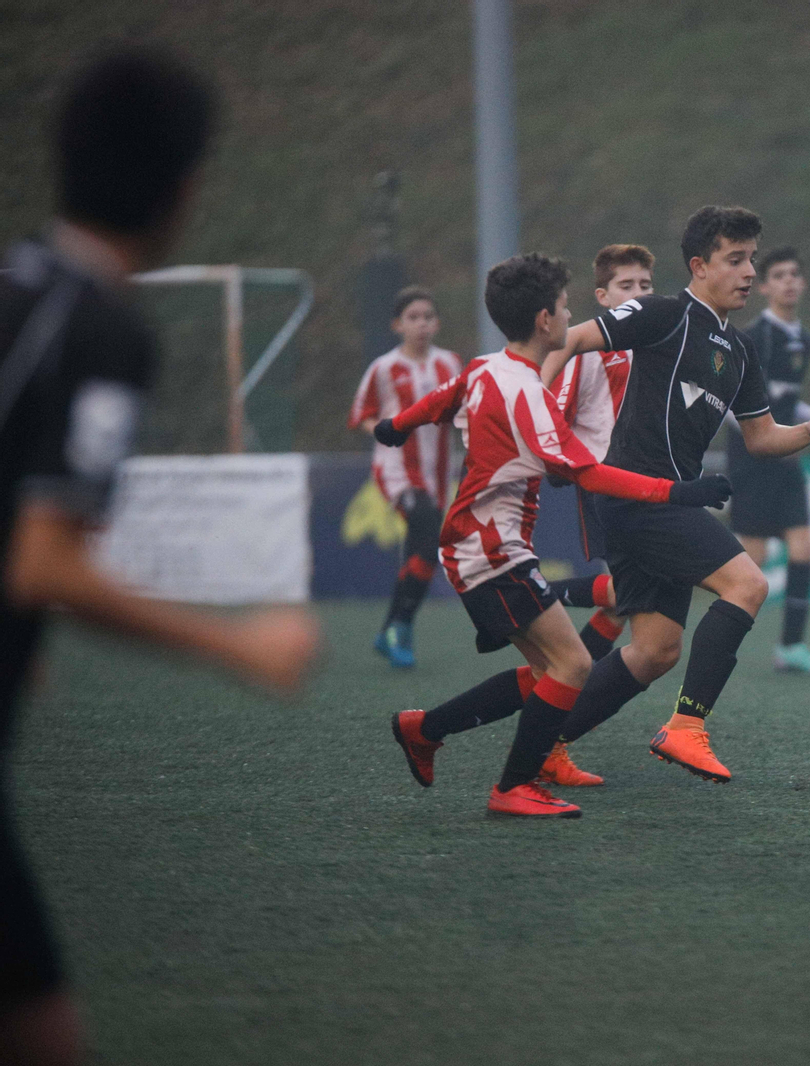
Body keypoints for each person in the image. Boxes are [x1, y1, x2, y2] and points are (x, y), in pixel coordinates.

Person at [0, 51, 320, 1066]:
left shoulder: (15, 283)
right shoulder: (103, 329)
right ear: (186, 188)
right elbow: (45, 564)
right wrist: (239, 646)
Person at [383, 253, 732, 818]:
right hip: (490, 549)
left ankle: (425, 729)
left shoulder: (485, 367)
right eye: (566, 307)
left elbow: (442, 400)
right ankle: (512, 786)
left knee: (552, 672)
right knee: (572, 668)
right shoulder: (529, 393)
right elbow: (587, 473)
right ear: (546, 321)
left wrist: (395, 426)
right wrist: (676, 493)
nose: (571, 316)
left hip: (485, 544)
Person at [538, 206, 810, 784]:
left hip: (668, 502)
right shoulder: (664, 314)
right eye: (736, 260)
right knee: (748, 583)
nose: (750, 272)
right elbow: (572, 336)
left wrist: (809, 431)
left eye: (752, 259)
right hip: (639, 496)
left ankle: (544, 744)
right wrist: (533, 397)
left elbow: (760, 438)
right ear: (699, 265)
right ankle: (687, 729)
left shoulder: (740, 350)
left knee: (655, 650)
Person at [539, 244, 657, 669]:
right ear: (603, 297)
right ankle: (531, 595)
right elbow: (555, 410)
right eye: (626, 286)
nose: (639, 294)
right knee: (635, 590)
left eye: (645, 285)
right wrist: (565, 465)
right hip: (605, 482)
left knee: (625, 600)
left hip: (646, 481)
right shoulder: (588, 348)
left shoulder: (654, 345)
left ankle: (566, 686)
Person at [727, 246, 810, 672]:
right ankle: (718, 642)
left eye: (795, 274)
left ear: (803, 283)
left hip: (787, 457)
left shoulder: (802, 340)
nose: (788, 281)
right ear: (765, 287)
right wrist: (765, 437)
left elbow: (788, 405)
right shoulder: (753, 338)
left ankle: (791, 647)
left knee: (803, 546)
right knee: (750, 564)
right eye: (779, 275)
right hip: (752, 460)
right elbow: (732, 408)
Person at [348, 286, 462, 668]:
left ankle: (391, 630)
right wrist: (385, 430)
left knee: (423, 550)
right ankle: (399, 627)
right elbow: (362, 413)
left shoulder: (450, 363)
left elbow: (466, 408)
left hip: (438, 472)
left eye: (428, 317)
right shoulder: (384, 368)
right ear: (398, 325)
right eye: (413, 317)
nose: (422, 324)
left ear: (437, 323)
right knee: (427, 538)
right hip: (397, 469)